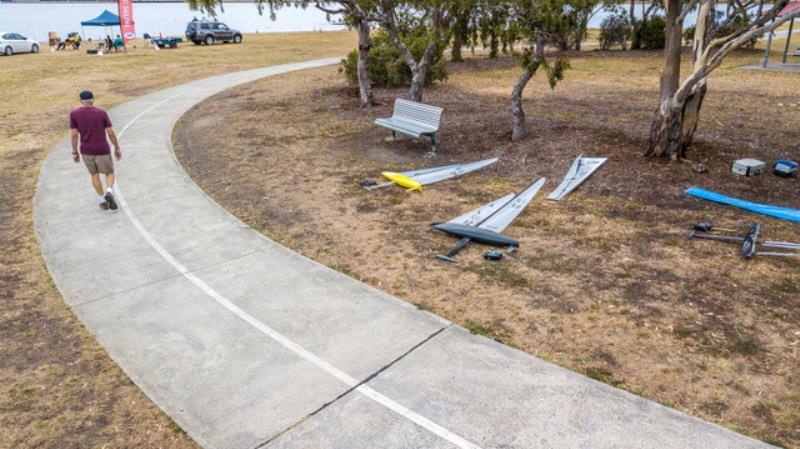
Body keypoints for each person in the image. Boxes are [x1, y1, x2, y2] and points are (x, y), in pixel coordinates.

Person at [69, 91, 122, 210]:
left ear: (81, 101)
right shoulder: (101, 113)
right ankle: (109, 191)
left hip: (86, 150)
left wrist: (74, 151)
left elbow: (73, 134)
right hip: (102, 148)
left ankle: (102, 200)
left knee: (94, 175)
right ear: (93, 100)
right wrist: (117, 148)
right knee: (109, 172)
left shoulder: (74, 114)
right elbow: (110, 132)